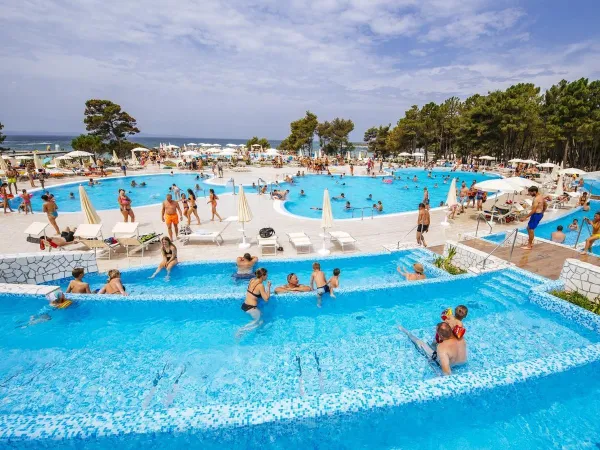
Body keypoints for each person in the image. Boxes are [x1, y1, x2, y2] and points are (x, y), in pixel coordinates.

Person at [238, 268, 271, 335]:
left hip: (244, 305)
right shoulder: (260, 286)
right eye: (266, 275)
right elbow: (266, 299)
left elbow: (254, 293)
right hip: (251, 308)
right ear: (262, 276)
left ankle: (259, 333)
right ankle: (241, 330)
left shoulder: (252, 280)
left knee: (261, 321)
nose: (267, 276)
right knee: (256, 322)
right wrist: (268, 287)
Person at [520, 186, 546, 250]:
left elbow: (534, 210)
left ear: (534, 191)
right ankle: (530, 242)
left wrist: (525, 217)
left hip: (536, 214)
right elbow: (545, 205)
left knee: (531, 229)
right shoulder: (541, 196)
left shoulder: (536, 199)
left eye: (530, 193)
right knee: (528, 228)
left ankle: (529, 245)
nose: (530, 194)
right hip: (538, 214)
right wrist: (543, 212)